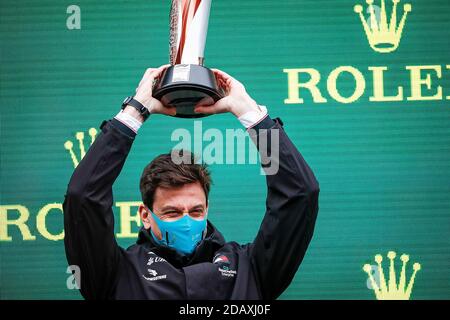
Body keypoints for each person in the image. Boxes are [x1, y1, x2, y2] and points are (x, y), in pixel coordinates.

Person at [63, 65, 320, 299]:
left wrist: (250, 114)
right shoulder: (114, 274)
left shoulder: (251, 268)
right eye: (172, 213)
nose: (187, 222)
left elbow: (300, 194)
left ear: (207, 209)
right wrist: (134, 113)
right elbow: (83, 198)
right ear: (144, 214)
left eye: (196, 211)